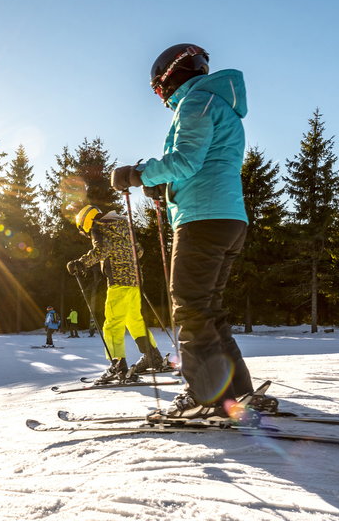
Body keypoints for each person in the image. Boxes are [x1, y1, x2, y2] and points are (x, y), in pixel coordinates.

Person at [110, 43, 274, 419]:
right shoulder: (222, 105)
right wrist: (160, 185)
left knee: (190, 308)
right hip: (228, 218)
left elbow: (186, 160)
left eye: (158, 90)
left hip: (202, 219)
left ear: (171, 78)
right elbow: (203, 163)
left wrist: (137, 174)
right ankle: (236, 391)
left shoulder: (196, 101)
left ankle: (205, 396)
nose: (161, 98)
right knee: (208, 310)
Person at [67, 205, 165, 383]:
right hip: (135, 282)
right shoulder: (123, 226)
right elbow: (139, 251)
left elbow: (102, 250)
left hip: (118, 283)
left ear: (86, 222)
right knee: (134, 320)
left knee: (112, 325)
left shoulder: (99, 228)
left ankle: (118, 366)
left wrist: (80, 263)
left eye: (85, 230)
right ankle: (152, 356)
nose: (88, 234)